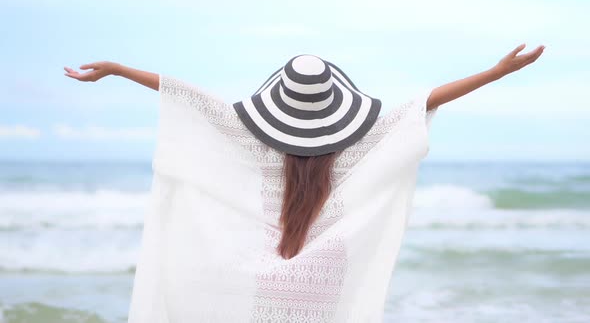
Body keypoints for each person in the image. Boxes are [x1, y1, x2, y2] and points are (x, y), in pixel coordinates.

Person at [64, 44, 544, 322]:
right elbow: (422, 104)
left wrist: (119, 70)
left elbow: (188, 97)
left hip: (266, 277)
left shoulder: (249, 137)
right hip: (327, 277)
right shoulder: (361, 142)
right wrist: (496, 72)